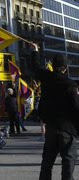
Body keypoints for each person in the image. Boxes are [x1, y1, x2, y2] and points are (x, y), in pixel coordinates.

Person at [30, 43, 79, 180]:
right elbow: (76, 108)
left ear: (52, 65)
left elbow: (36, 68)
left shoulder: (46, 78)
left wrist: (35, 51)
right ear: (65, 68)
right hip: (67, 128)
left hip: (51, 126)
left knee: (47, 162)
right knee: (68, 161)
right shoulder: (70, 84)